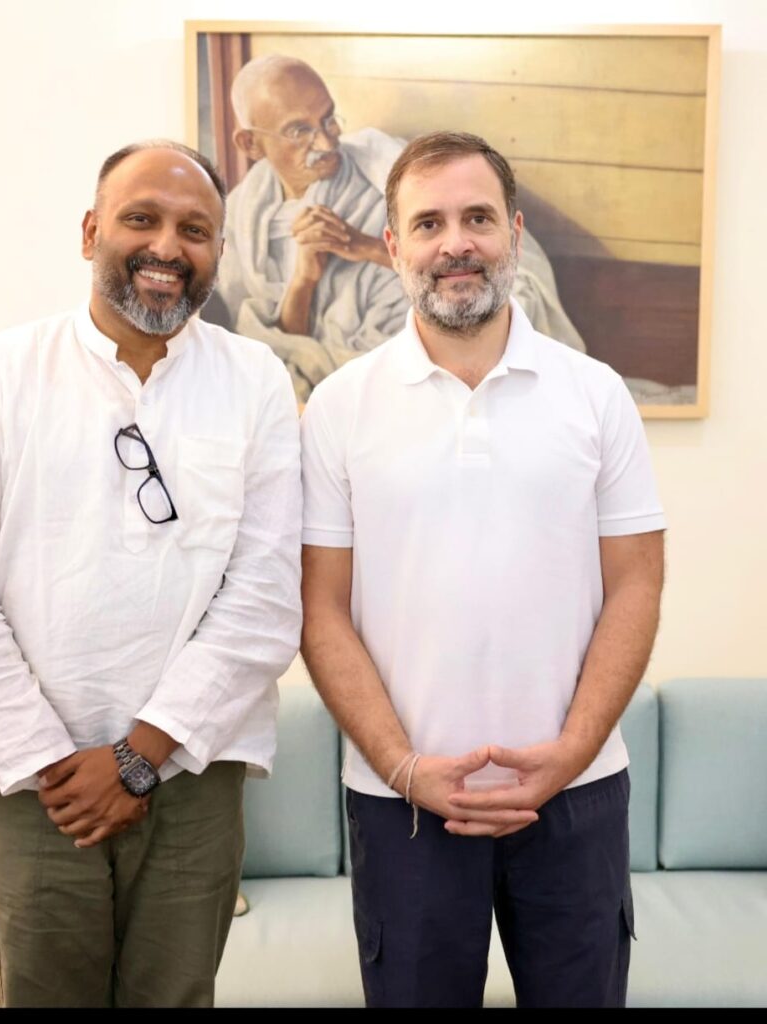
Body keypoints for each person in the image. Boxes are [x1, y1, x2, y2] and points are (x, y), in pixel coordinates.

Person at [0, 140, 302, 1008]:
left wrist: (139, 757)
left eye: (195, 229)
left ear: (218, 251)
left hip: (192, 770)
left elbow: (266, 597)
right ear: (90, 232)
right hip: (34, 784)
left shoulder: (257, 382)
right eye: (141, 218)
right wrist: (58, 764)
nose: (167, 246)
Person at [300, 130, 665, 1008]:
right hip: (403, 801)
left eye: (478, 218)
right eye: (428, 223)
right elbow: (320, 610)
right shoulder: (338, 408)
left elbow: (637, 585)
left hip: (576, 794)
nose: (455, 243)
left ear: (515, 232)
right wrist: (403, 766)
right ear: (394, 244)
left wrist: (570, 753)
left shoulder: (596, 394)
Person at [209, 55, 584, 401]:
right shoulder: (244, 213)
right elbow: (279, 350)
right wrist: (303, 282)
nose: (325, 141)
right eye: (299, 131)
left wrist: (364, 246)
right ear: (250, 143)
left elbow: (485, 287)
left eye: (328, 119)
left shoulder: (388, 173)